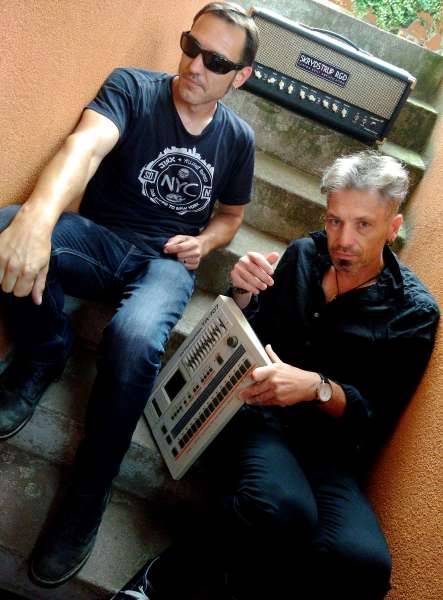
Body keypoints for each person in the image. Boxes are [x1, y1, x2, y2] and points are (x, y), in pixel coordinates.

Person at [0, 2, 259, 588]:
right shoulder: (133, 88)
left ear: (240, 77)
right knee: (7, 228)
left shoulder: (238, 139)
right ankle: (44, 352)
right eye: (191, 47)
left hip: (166, 263)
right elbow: (85, 146)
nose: (195, 66)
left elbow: (232, 215)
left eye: (216, 62)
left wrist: (205, 242)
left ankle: (88, 491)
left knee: (136, 336)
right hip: (100, 239)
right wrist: (38, 219)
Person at [113, 151, 439, 600]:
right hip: (260, 417)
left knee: (363, 563)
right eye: (335, 221)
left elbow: (377, 419)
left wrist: (317, 388)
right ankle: (158, 581)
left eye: (363, 224)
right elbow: (250, 334)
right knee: (282, 508)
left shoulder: (414, 313)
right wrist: (243, 292)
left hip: (329, 451)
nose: (343, 239)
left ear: (393, 227)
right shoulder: (305, 254)